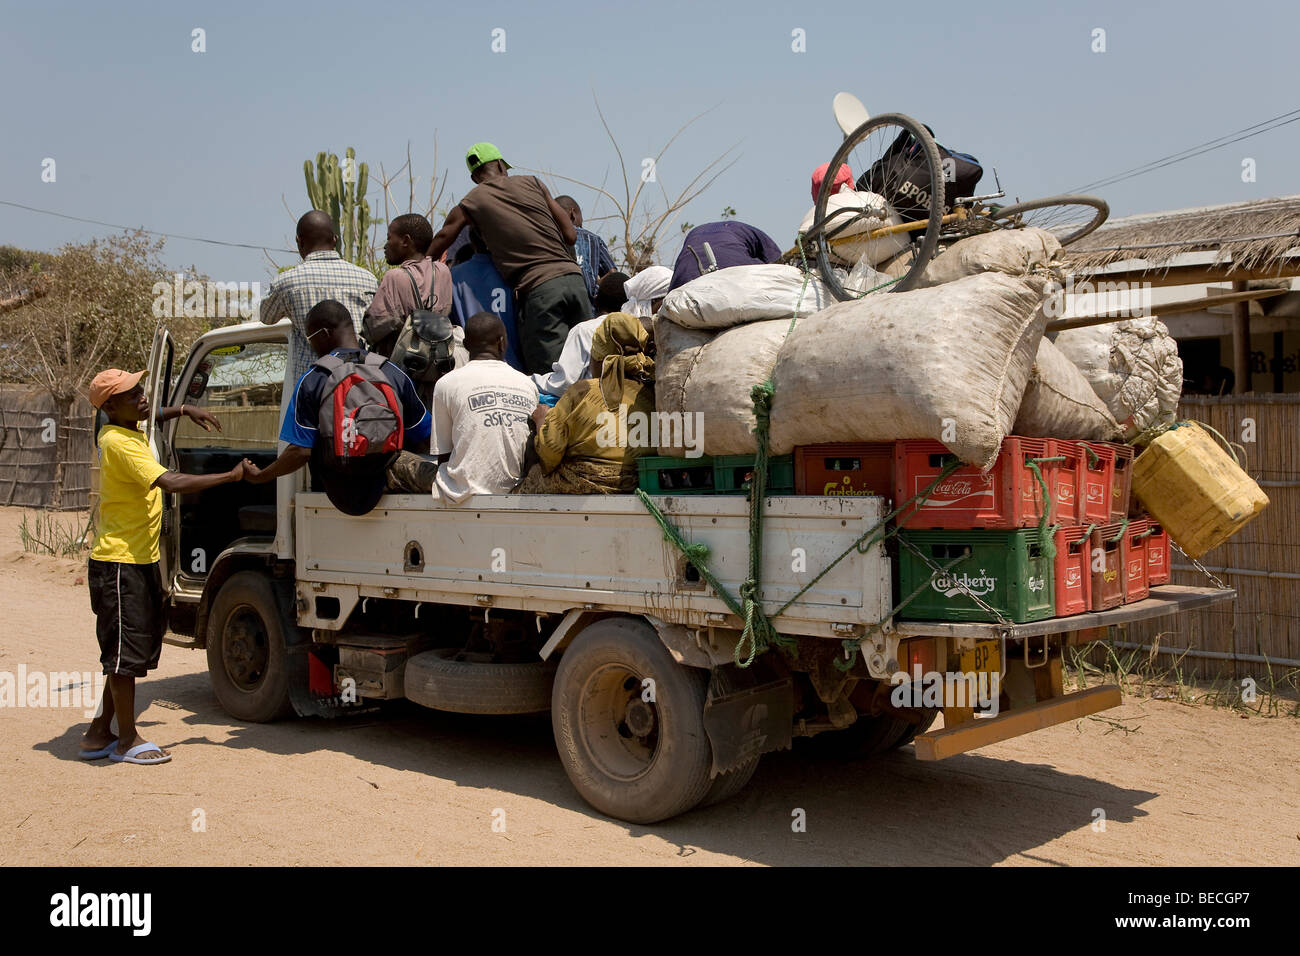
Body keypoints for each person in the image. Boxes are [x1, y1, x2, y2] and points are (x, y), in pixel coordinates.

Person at [80, 369, 239, 766]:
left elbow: (150, 415)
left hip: (138, 559)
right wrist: (231, 476)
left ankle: (99, 732)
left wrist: (183, 409)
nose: (142, 397)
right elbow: (171, 482)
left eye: (141, 389)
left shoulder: (120, 426)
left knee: (126, 653)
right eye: (132, 394)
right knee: (123, 655)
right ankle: (127, 741)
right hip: (120, 563)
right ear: (111, 407)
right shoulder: (121, 443)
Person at [243, 300, 435, 515]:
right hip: (386, 490)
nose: (311, 345)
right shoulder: (392, 372)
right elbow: (425, 434)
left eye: (310, 338)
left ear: (324, 333)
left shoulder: (313, 379)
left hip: (333, 497)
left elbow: (300, 451)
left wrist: (262, 476)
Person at [425, 143, 593, 375]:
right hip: (575, 281)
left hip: (540, 289)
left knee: (551, 375)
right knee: (589, 364)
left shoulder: (472, 201)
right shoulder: (534, 182)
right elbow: (571, 235)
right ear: (501, 166)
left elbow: (444, 236)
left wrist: (421, 265)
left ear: (475, 177)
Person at [520, 312, 656, 494]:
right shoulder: (651, 392)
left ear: (598, 358)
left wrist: (541, 422)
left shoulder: (583, 391)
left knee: (528, 481)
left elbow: (549, 454)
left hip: (586, 484)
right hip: (638, 484)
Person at [259, 210, 378, 387]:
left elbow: (266, 317)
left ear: (299, 242)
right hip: (361, 385)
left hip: (313, 387)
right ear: (335, 240)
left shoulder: (286, 283)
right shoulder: (368, 279)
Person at [430, 311, 539, 503]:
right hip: (517, 491)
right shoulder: (527, 384)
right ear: (502, 342)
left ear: (465, 346)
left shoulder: (446, 384)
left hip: (463, 492)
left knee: (400, 463)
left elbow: (443, 455)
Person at [362, 213, 453, 357]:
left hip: (402, 365)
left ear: (405, 241)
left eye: (389, 238)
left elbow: (374, 328)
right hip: (437, 360)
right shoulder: (442, 271)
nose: (385, 246)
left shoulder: (395, 276)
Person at [532, 271, 628, 403]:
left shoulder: (585, 330)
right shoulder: (635, 331)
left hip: (592, 410)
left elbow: (563, 384)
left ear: (596, 300)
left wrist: (528, 380)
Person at [449, 228, 524, 371]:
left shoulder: (454, 275)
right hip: (511, 366)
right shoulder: (513, 273)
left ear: (473, 243)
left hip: (468, 365)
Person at [668, 220, 783, 292]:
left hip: (686, 281)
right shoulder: (753, 234)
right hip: (734, 276)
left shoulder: (694, 236)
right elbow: (778, 265)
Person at [554, 195, 616, 309]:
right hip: (589, 307)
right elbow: (612, 272)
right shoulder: (593, 239)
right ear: (573, 214)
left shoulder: (550, 239)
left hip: (558, 304)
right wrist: (594, 287)